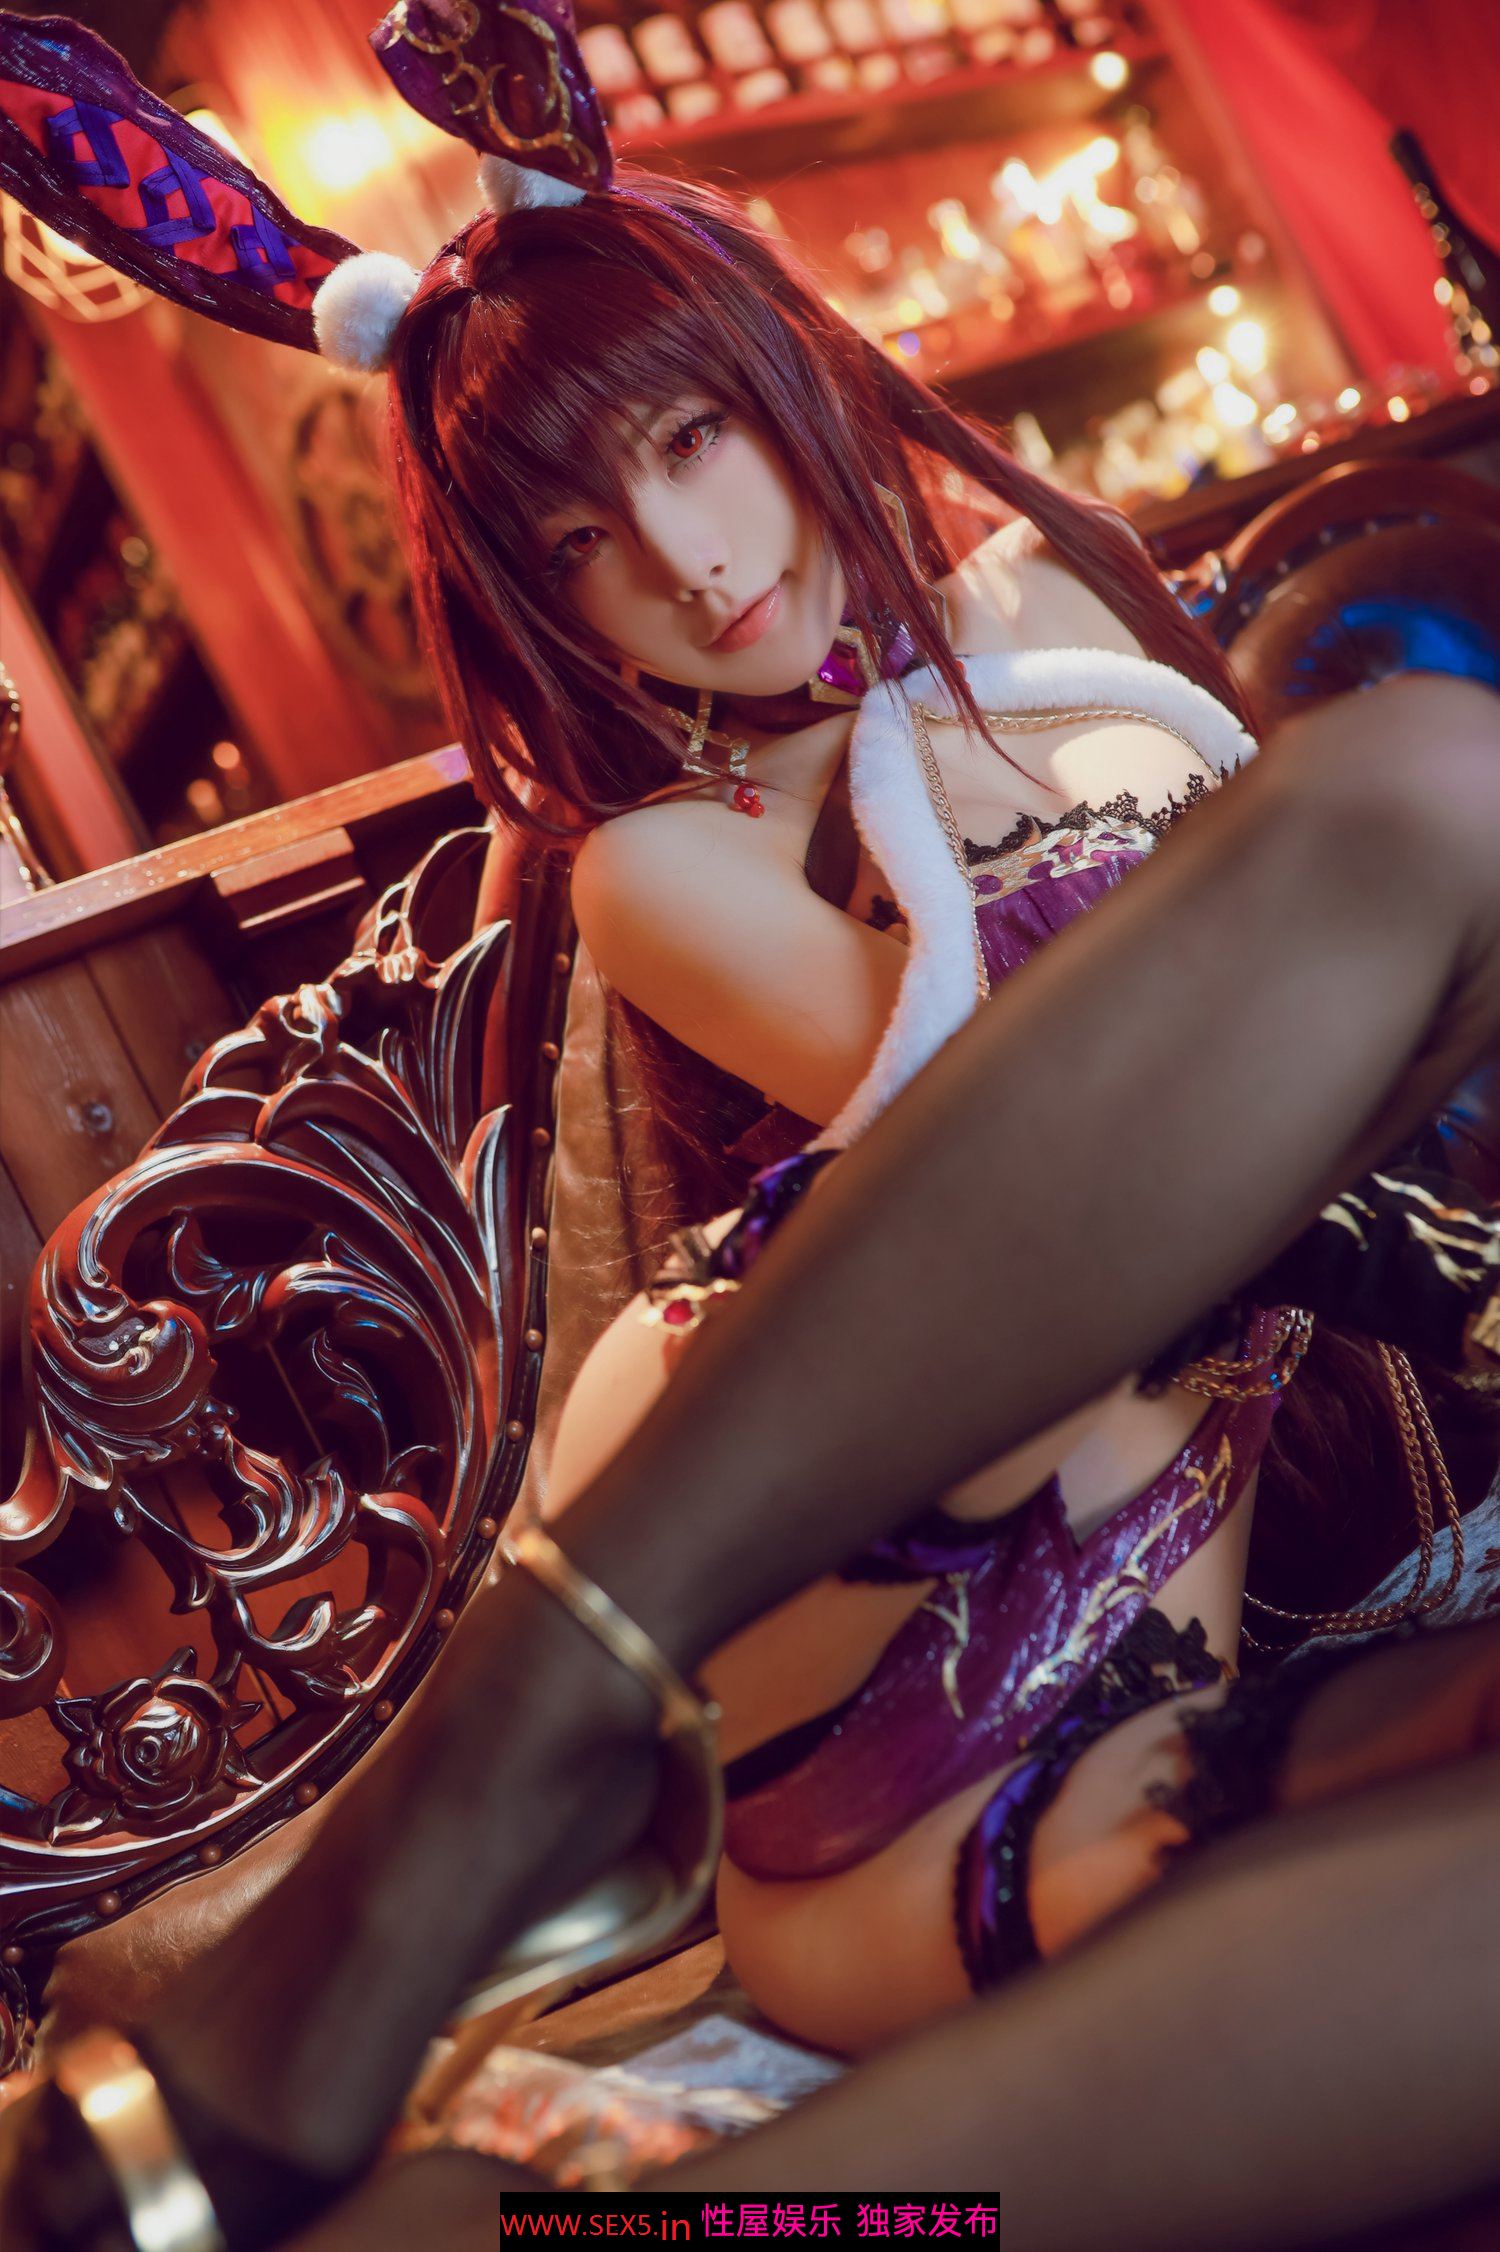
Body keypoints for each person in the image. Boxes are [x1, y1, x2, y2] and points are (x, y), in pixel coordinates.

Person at [2, 8, 1498, 2244]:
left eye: (696, 439)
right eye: (586, 536)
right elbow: (1026, 1162)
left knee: (1421, 806)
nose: (694, 561)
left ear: (781, 377)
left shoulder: (1054, 618)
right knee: (1426, 796)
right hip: (950, 1543)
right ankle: (489, 1775)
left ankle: (472, 2049)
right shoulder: (672, 858)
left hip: (1214, 1561)